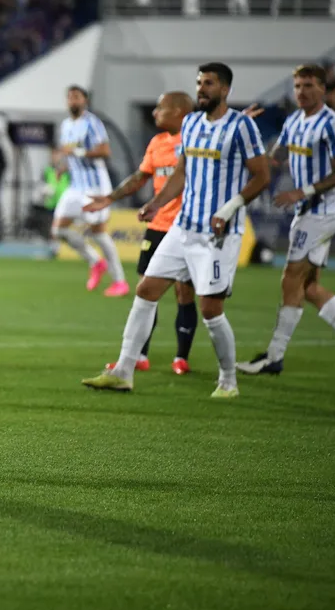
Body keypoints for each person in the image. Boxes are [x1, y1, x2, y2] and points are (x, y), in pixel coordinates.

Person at [82, 62, 271, 398]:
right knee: (145, 291)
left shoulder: (242, 126)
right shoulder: (192, 123)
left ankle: (228, 381)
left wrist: (228, 209)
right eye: (199, 83)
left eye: (209, 83)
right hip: (183, 228)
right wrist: (157, 203)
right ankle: (123, 371)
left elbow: (262, 175)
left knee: (210, 310)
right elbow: (181, 172)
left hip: (218, 236)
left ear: (225, 89)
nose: (202, 89)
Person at [238, 64, 335, 379]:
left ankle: (274, 358)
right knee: (309, 287)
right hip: (308, 212)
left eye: (309, 85)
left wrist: (303, 191)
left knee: (290, 279)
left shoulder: (333, 124)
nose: (301, 91)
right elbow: (275, 157)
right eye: (297, 86)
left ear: (323, 89)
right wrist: (243, 133)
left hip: (320, 212)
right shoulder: (294, 121)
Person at [84, 92, 199, 375]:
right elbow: (140, 177)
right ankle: (139, 356)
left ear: (179, 111)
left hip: (185, 228)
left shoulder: (196, 140)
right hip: (157, 227)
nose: (155, 113)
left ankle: (181, 357)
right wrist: (109, 198)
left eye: (161, 108)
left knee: (184, 293)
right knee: (146, 290)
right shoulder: (157, 142)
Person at [51, 86, 130, 297]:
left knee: (98, 233)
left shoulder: (92, 123)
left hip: (95, 185)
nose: (72, 101)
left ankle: (120, 281)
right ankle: (96, 261)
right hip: (75, 186)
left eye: (77, 97)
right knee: (58, 231)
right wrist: (63, 167)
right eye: (70, 97)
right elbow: (70, 155)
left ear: (85, 101)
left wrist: (76, 151)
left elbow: (105, 151)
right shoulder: (66, 125)